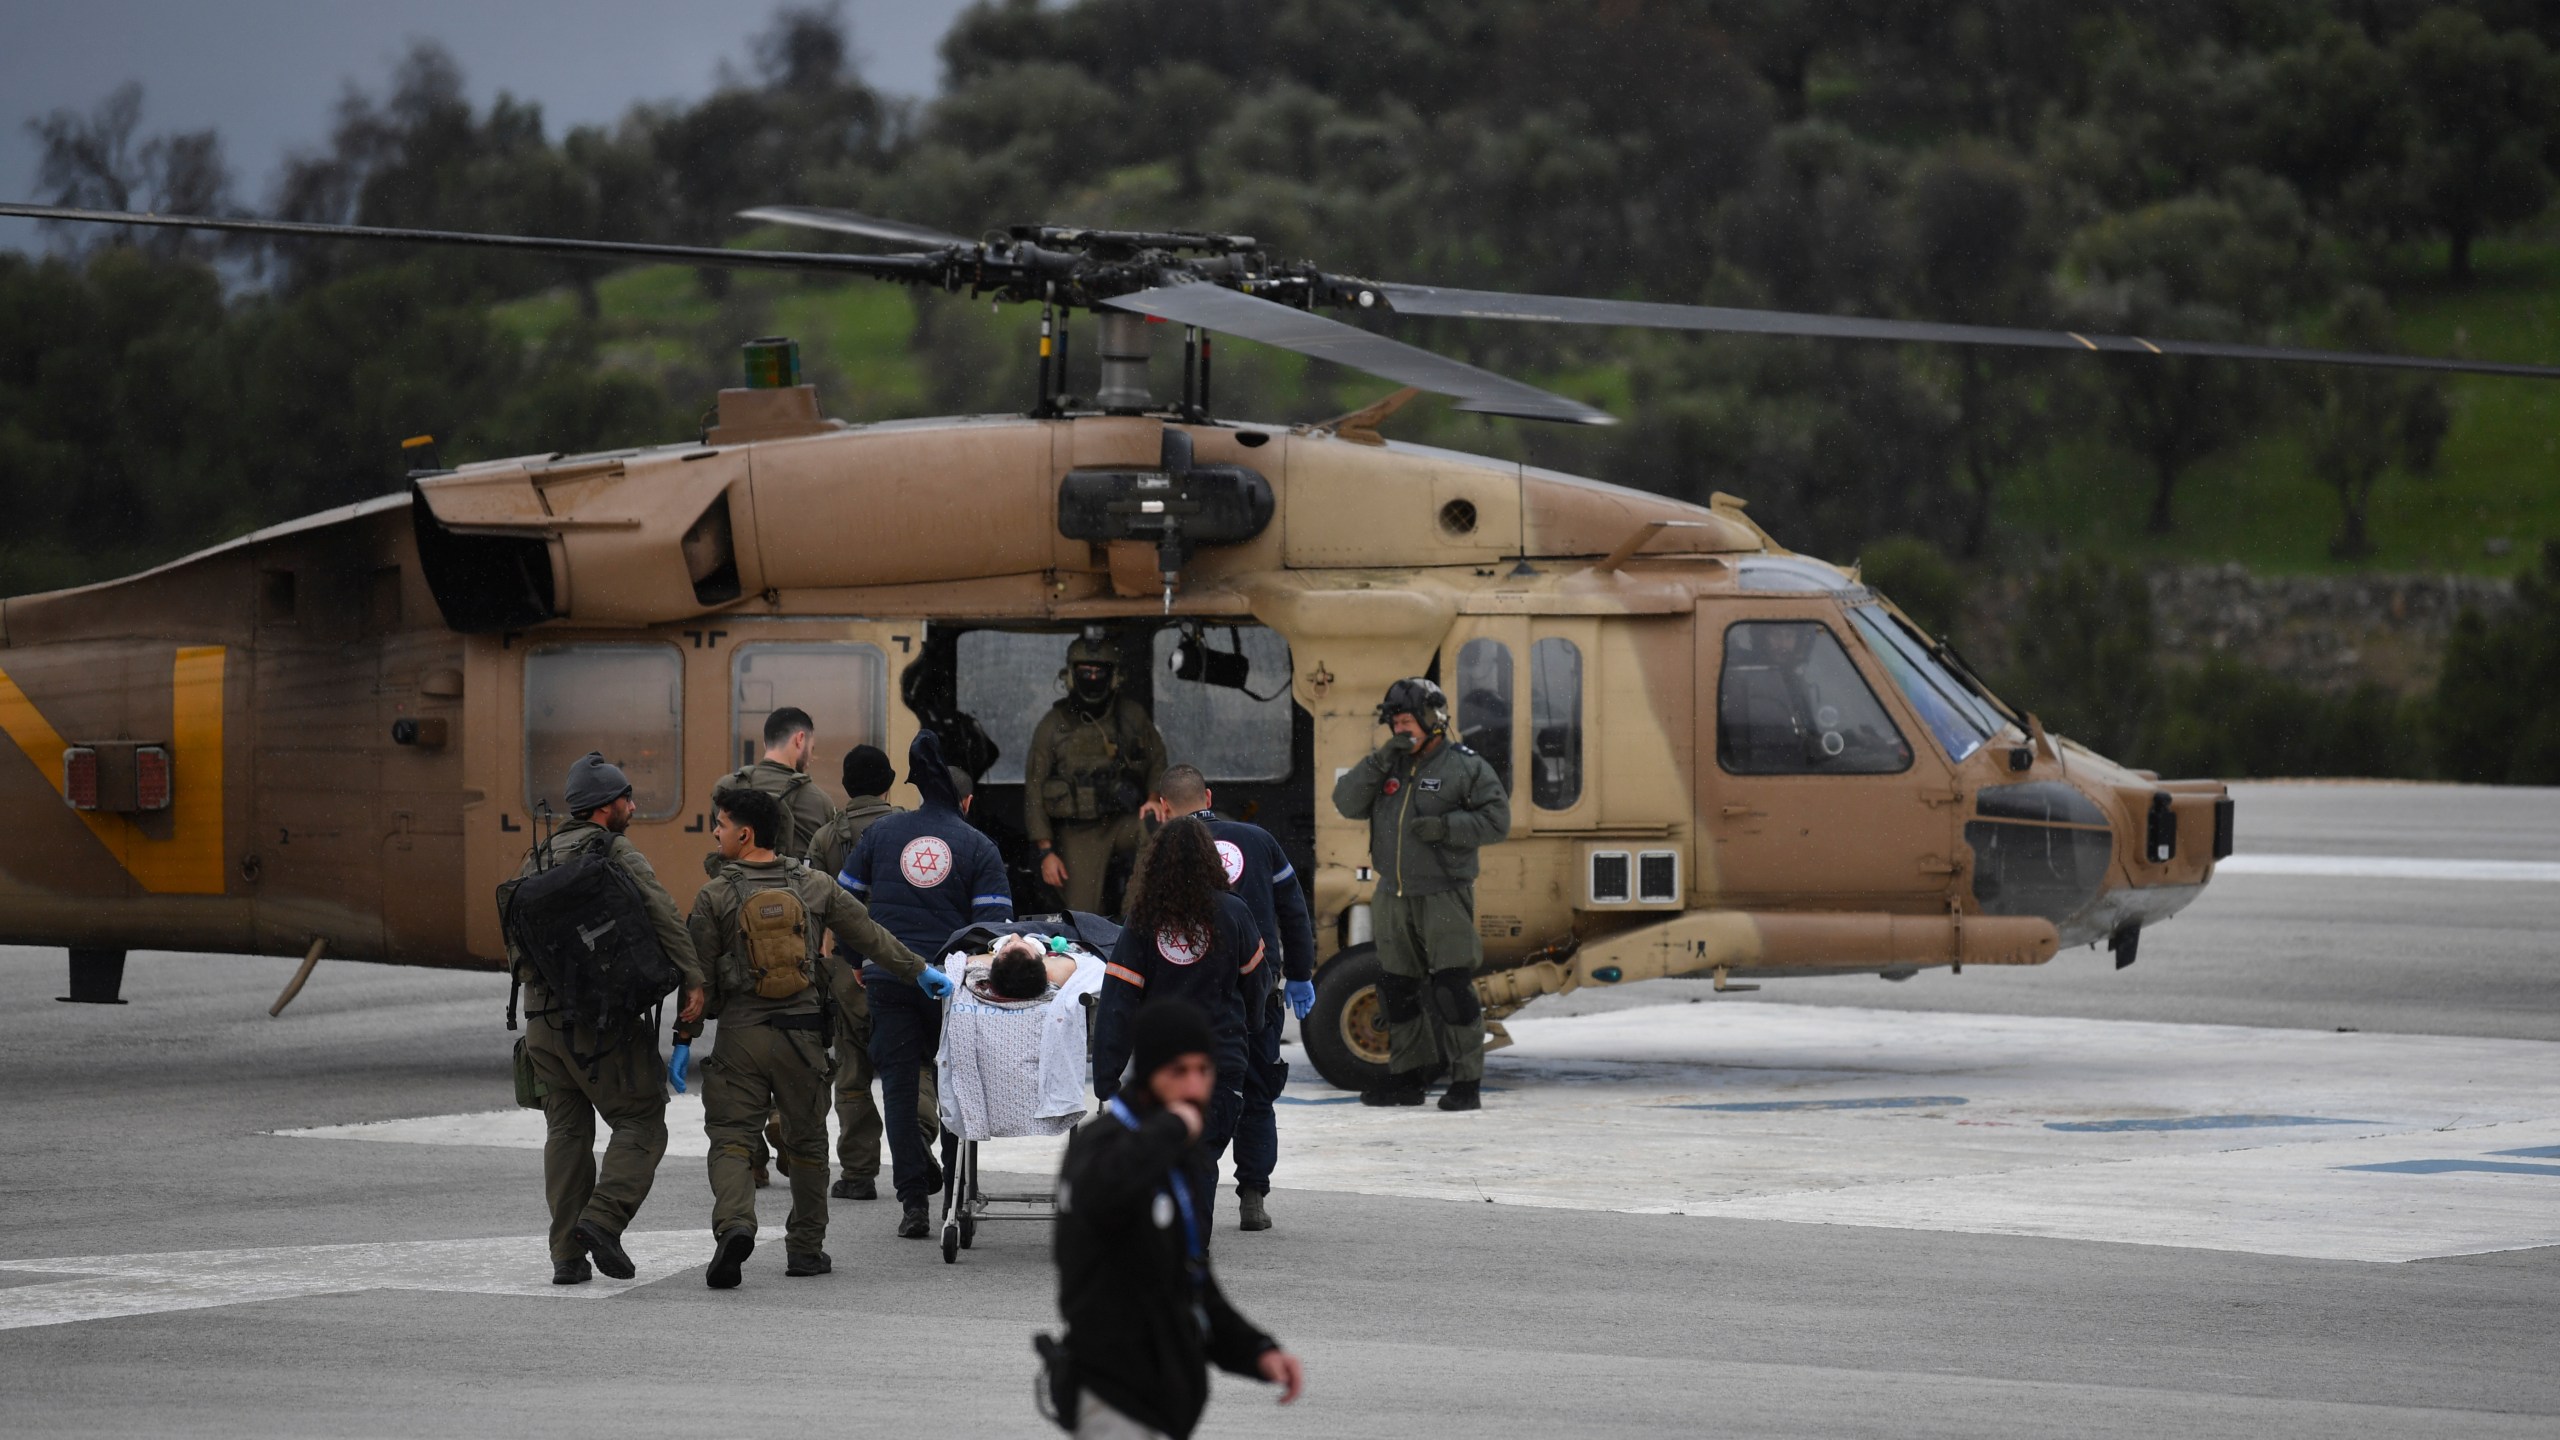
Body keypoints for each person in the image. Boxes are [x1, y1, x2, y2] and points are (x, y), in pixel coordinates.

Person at [686, 787, 952, 1288]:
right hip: (802, 1038)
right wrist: (919, 971)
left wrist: (686, 1037)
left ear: (745, 834)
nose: (716, 833)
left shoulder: (715, 894)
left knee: (732, 1139)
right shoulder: (815, 885)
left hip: (741, 1038)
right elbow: (869, 935)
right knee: (808, 1143)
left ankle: (736, 1224)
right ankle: (806, 1250)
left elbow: (698, 979)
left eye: (721, 824)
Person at [1052, 1000, 1304, 1439]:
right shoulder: (1104, 1143)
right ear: (1150, 1073)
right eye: (1178, 1071)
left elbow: (1192, 1283)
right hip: (1112, 1393)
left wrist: (1257, 1351)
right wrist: (1172, 1129)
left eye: (1203, 1071)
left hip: (1166, 1400)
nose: (1193, 1086)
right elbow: (1101, 1194)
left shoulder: (1174, 1152)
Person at [507, 752, 705, 1286]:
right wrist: (693, 978)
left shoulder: (537, 857)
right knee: (642, 1119)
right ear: (604, 808)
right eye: (626, 799)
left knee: (567, 1132)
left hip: (541, 1021)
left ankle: (566, 1257)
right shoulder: (614, 851)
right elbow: (662, 912)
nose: (632, 807)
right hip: (597, 1022)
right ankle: (603, 1220)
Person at [841, 729, 1014, 1239]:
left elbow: (843, 904)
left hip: (889, 977)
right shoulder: (979, 846)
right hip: (951, 987)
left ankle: (913, 1203)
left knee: (898, 1089)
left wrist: (857, 959)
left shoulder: (882, 833)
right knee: (956, 1090)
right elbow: (993, 932)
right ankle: (955, 1202)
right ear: (967, 801)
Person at [1139, 765, 1315, 1233]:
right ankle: (1253, 1197)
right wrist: (1300, 973)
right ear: (1209, 796)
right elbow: (1293, 910)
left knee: (1188, 1092)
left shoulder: (1161, 852)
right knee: (1256, 1091)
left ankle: (1186, 1193)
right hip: (1257, 989)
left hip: (1188, 996)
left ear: (1164, 807)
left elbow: (1142, 923)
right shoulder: (1258, 840)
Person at [1330, 677, 1511, 1111]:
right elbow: (1346, 802)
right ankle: (1407, 1080)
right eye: (1395, 723)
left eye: (1408, 722)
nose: (1401, 730)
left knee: (1451, 988)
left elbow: (1497, 821)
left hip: (1444, 894)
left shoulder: (1464, 766)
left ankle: (1466, 1082)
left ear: (1433, 720)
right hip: (1393, 895)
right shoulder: (1386, 766)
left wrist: (1447, 829)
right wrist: (1380, 759)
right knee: (1396, 988)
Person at [1090, 817, 1262, 1236]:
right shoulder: (1235, 912)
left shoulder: (1142, 920)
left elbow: (1118, 1001)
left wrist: (1107, 1074)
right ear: (1209, 859)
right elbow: (1257, 986)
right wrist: (1253, 1029)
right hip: (1219, 1062)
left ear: (1155, 863)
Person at [801, 744, 933, 1202]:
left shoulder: (825, 838)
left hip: (847, 968)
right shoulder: (910, 828)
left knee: (852, 1070)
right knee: (914, 1059)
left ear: (845, 785)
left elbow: (813, 908)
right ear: (890, 784)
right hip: (904, 962)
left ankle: (858, 1173)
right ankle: (918, 1138)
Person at [1026, 632, 1166, 916]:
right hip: (1079, 831)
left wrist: (1153, 799)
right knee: (1084, 916)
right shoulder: (1053, 725)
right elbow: (1034, 790)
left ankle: (1135, 915)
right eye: (1085, 671)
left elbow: (1157, 760)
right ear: (1071, 674)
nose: (1092, 678)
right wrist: (1046, 852)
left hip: (1122, 821)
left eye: (1099, 671)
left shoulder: (1131, 716)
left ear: (1113, 676)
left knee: (1159, 827)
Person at [713, 705, 838, 862]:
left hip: (736, 877)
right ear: (800, 739)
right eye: (811, 749)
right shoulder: (820, 801)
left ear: (766, 743)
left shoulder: (726, 787)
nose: (811, 759)